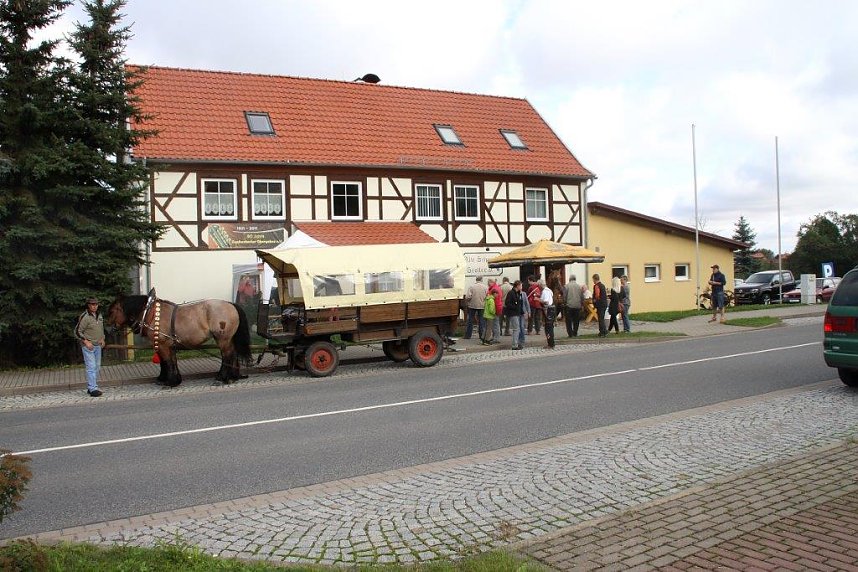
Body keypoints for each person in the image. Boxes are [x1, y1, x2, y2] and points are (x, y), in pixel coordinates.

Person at [75, 297, 106, 397]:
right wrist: (86, 341)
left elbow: (101, 329)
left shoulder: (99, 315)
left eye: (96, 304)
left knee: (97, 366)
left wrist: (102, 339)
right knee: (91, 366)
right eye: (92, 304)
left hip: (98, 345)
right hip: (88, 346)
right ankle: (93, 389)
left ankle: (91, 387)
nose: (95, 306)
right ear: (88, 305)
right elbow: (77, 332)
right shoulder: (85, 317)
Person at [503, 280, 525, 350]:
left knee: (517, 329)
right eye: (521, 286)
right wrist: (515, 307)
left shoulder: (517, 293)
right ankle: (514, 345)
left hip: (517, 313)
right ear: (517, 286)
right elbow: (507, 303)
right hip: (513, 313)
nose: (521, 287)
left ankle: (516, 343)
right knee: (516, 329)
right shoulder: (511, 293)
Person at [540, 279, 556, 348]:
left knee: (548, 328)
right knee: (550, 327)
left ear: (541, 285)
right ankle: (551, 343)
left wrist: (539, 300)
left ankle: (550, 344)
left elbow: (546, 302)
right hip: (552, 309)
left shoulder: (544, 292)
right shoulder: (549, 290)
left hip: (548, 310)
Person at [487, 278, 503, 342]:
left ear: (491, 282)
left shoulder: (494, 289)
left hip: (495, 308)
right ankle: (495, 337)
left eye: (488, 282)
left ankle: (496, 338)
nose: (487, 284)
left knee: (495, 324)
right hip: (497, 307)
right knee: (495, 324)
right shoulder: (496, 287)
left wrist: (492, 310)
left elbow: (495, 300)